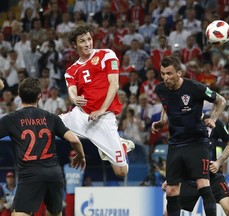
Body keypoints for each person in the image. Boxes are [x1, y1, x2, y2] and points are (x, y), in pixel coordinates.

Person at [151, 56, 226, 216]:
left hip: (197, 143)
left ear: (179, 72)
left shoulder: (195, 88)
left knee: (203, 184)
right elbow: (167, 104)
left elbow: (221, 100)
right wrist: (162, 120)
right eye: (163, 73)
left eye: (169, 73)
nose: (165, 77)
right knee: (171, 190)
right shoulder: (160, 89)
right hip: (175, 144)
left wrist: (213, 118)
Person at [0, 77, 86, 216]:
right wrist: (81, 156)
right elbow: (74, 140)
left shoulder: (11, 119)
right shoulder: (51, 117)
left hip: (30, 175)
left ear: (19, 95)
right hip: (53, 174)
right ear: (40, 96)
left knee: (19, 214)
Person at [61, 24, 134, 178]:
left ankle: (122, 145)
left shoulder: (107, 55)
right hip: (82, 116)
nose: (87, 43)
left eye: (89, 39)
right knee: (49, 122)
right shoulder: (71, 70)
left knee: (121, 172)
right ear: (74, 45)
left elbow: (114, 84)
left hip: (104, 117)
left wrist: (101, 110)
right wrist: (75, 99)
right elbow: (72, 91)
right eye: (82, 41)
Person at [163, 115, 229, 216]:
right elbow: (178, 153)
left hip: (212, 175)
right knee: (168, 213)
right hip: (190, 177)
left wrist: (218, 162)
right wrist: (170, 179)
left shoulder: (213, 121)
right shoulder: (184, 124)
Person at [63, 150, 84, 216]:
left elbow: (87, 180)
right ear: (69, 157)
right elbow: (63, 181)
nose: (73, 158)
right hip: (69, 194)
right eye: (72, 156)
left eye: (75, 156)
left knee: (80, 212)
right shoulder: (65, 167)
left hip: (80, 194)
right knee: (69, 213)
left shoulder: (82, 166)